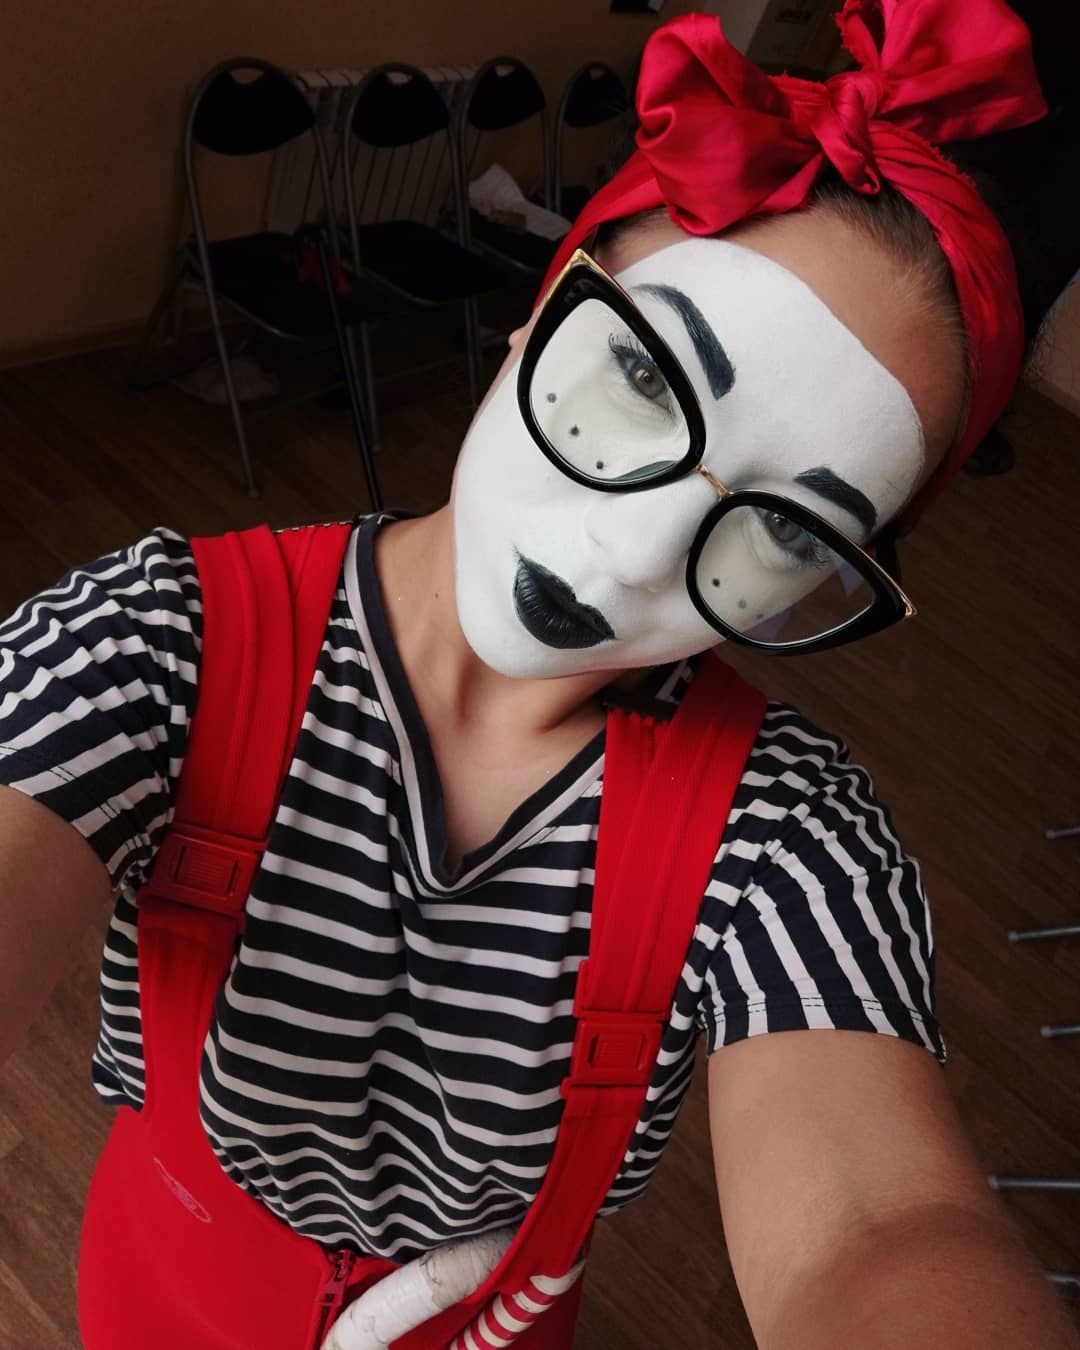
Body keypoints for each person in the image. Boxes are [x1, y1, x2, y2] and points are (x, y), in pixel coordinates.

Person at [2, 2, 1078, 1346]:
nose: (636, 551)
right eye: (641, 374)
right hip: (162, 1274)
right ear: (540, 307)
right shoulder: (155, 643)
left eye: (793, 530)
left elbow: (881, 1230)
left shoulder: (786, 845)